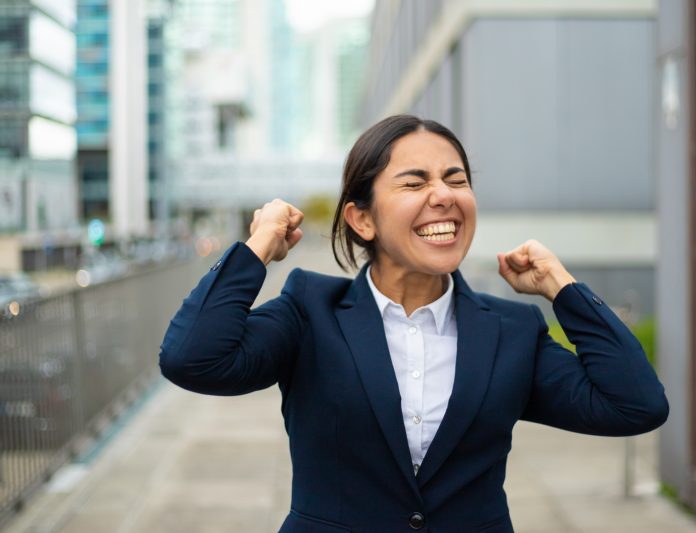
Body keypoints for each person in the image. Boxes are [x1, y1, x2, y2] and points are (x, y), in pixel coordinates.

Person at [159, 115, 669, 532]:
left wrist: (562, 287)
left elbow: (635, 405)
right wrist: (259, 249)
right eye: (414, 182)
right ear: (363, 219)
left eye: (456, 179)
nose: (444, 195)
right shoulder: (309, 310)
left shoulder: (512, 331)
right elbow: (193, 358)